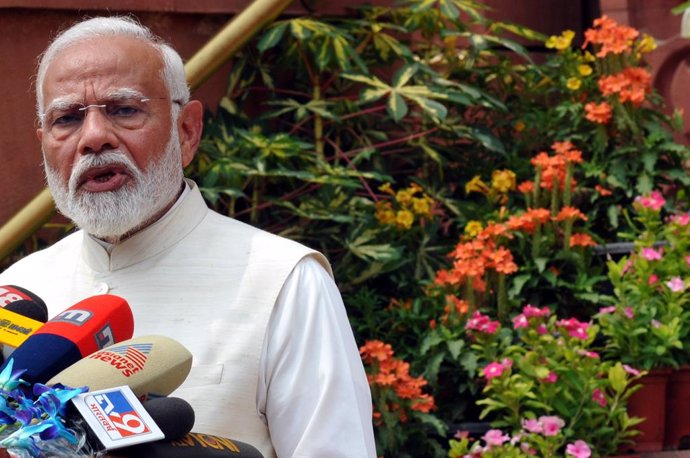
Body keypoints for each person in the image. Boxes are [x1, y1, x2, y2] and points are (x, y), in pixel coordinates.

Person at [0, 15, 376, 458]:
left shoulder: (283, 282)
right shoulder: (20, 287)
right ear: (44, 142)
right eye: (67, 118)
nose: (94, 137)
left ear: (187, 130)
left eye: (124, 109)